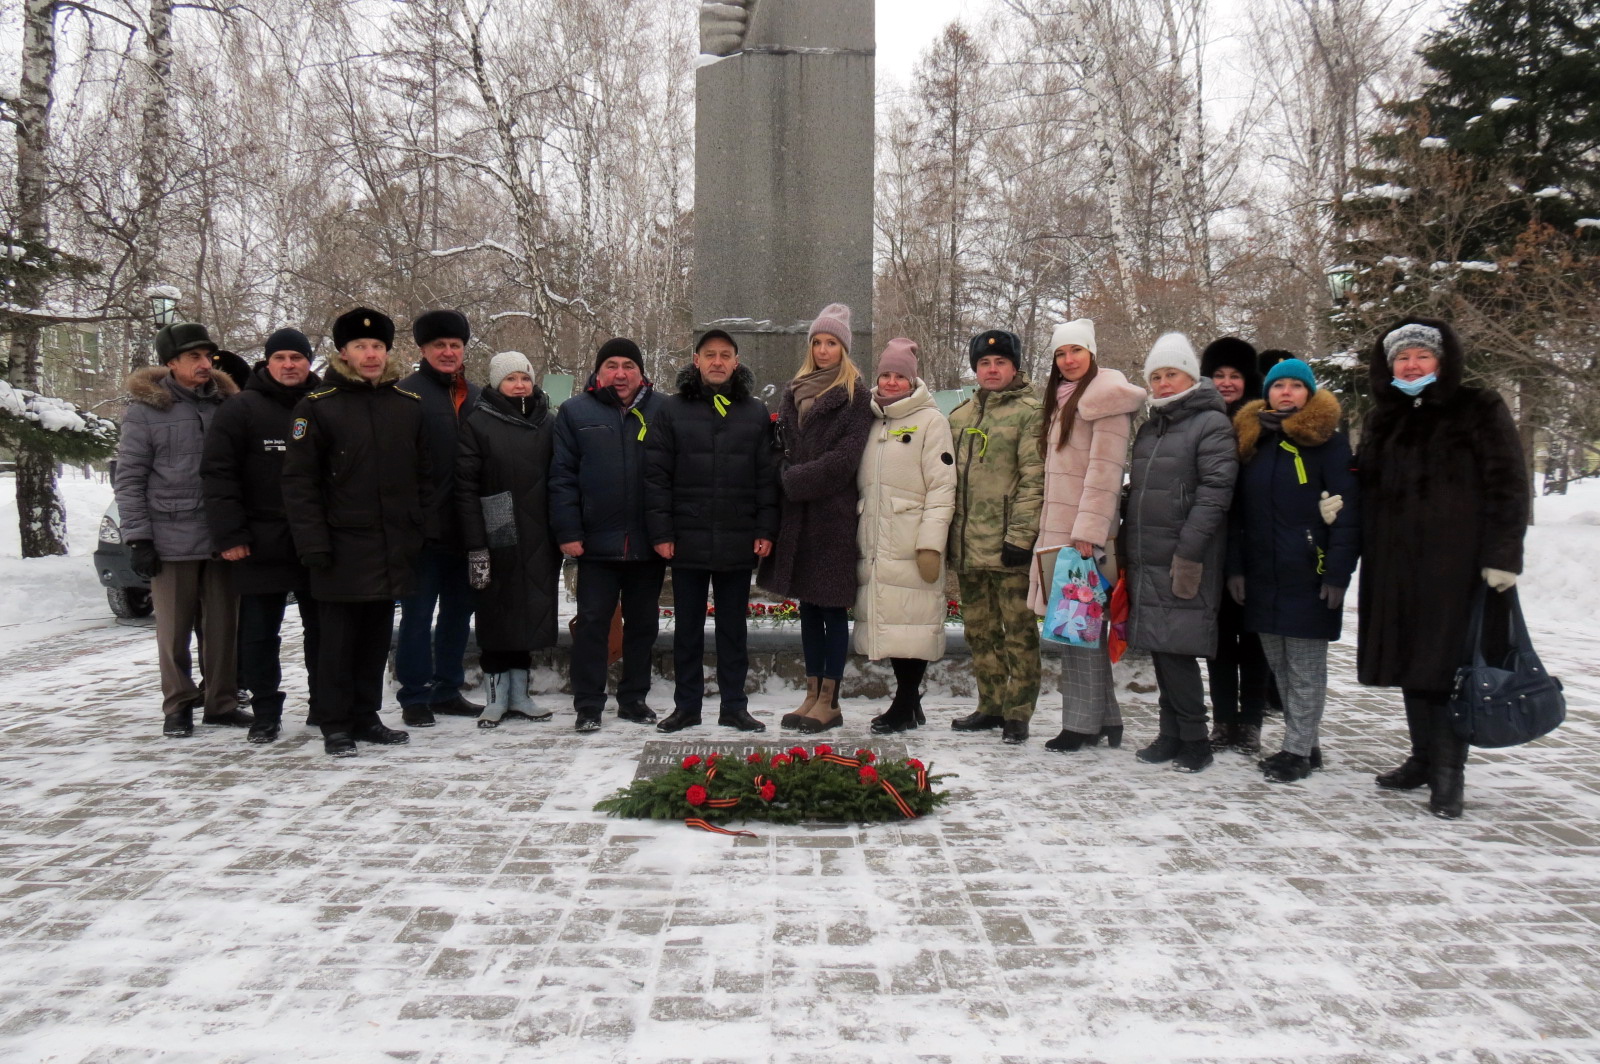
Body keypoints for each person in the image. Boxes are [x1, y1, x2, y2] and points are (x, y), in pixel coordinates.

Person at [1357, 318, 1528, 819]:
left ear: (1442, 360)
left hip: (1456, 566)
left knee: (1449, 667)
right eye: (1401, 358)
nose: (1411, 365)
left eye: (1421, 356)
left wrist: (1503, 556)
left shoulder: (1477, 408)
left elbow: (1508, 484)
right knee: (1413, 664)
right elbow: (1366, 478)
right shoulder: (1382, 417)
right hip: (1394, 565)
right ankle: (1423, 758)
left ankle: (1449, 774)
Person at [282, 308, 430, 757]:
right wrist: (312, 544)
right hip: (340, 547)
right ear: (343, 352)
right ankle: (335, 723)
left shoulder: (406, 407)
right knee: (337, 644)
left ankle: (366, 716)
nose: (371, 354)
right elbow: (299, 483)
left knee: (374, 640)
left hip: (390, 546)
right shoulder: (317, 406)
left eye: (379, 347)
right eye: (361, 347)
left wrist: (414, 531)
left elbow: (421, 476)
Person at [1226, 358, 1359, 782]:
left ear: (1308, 393)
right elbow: (1238, 514)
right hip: (1263, 573)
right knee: (1278, 665)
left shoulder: (1329, 443)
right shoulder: (1252, 442)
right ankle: (1306, 741)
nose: (1286, 392)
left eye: (1295, 386)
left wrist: (1338, 571)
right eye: (1278, 385)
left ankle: (1297, 751)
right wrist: (1236, 568)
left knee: (1305, 666)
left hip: (1308, 571)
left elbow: (1349, 512)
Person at [115, 321, 249, 738]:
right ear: (171, 362)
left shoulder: (228, 404)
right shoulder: (146, 410)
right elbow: (130, 477)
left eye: (208, 356)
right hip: (170, 538)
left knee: (223, 626)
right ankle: (178, 705)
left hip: (222, 536)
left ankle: (221, 702)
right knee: (173, 631)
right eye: (194, 356)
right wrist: (138, 537)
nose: (204, 363)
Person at [645, 329, 780, 733]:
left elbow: (766, 476)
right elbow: (656, 476)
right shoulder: (671, 410)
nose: (717, 362)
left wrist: (765, 528)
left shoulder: (754, 412)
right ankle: (686, 706)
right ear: (696, 360)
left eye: (725, 355)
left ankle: (734, 706)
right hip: (686, 537)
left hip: (737, 537)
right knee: (686, 630)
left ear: (736, 362)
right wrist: (661, 532)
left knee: (733, 631)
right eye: (710, 355)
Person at [201, 328, 323, 744]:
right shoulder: (240, 409)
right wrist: (230, 534)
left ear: (310, 361)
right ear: (267, 363)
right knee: (258, 632)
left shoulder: (324, 404)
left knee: (322, 629)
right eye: (281, 357)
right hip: (258, 538)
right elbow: (219, 475)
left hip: (315, 539)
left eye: (297, 357)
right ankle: (266, 711)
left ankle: (324, 705)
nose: (290, 364)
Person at [1027, 319, 1145, 752]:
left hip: (1083, 537)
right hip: (1063, 531)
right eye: (1060, 354)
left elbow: (1105, 473)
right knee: (1084, 632)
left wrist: (1088, 534)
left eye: (1076, 351)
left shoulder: (1104, 400)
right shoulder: (1064, 399)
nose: (1068, 360)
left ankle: (1080, 726)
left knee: (1078, 632)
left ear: (1092, 354)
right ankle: (1106, 720)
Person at [758, 303, 875, 733]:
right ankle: (811, 693)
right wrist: (782, 473)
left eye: (831, 343)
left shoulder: (856, 396)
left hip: (832, 518)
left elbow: (844, 460)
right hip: (797, 518)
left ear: (843, 348)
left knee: (830, 609)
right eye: (818, 343)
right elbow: (781, 447)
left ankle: (831, 699)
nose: (824, 350)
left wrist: (792, 479)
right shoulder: (794, 391)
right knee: (808, 608)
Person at [1125, 332, 1237, 773]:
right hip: (1148, 553)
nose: (1163, 383)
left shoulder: (1210, 424)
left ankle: (1195, 739)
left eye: (1171, 374)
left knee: (1177, 649)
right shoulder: (1154, 427)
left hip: (1184, 557)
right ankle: (1170, 733)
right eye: (1156, 376)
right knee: (1161, 646)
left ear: (1190, 376)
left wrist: (1189, 552)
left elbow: (1215, 493)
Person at [551, 337, 666, 732]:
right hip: (596, 544)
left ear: (641, 372)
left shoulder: (663, 410)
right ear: (599, 372)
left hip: (647, 544)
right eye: (612, 366)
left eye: (629, 366)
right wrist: (568, 530)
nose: (620, 374)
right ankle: (588, 704)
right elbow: (562, 477)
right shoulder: (574, 412)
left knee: (643, 626)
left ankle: (634, 700)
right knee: (593, 625)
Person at [851, 338, 957, 734]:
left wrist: (931, 542)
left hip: (912, 541)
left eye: (900, 376)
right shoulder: (870, 419)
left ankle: (904, 704)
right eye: (886, 374)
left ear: (912, 381)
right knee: (894, 624)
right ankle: (910, 705)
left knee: (913, 623)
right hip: (875, 538)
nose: (892, 382)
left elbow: (943, 486)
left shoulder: (932, 421)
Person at [947, 329, 1046, 745]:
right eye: (984, 363)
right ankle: (990, 704)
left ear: (1015, 367)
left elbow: (1034, 480)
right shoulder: (960, 416)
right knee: (979, 630)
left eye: (1000, 362)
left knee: (1018, 631)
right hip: (969, 544)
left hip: (1009, 545)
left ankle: (1018, 711)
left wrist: (1020, 536)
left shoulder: (1031, 412)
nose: (992, 369)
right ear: (975, 369)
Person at [456, 352, 560, 729]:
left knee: (529, 615)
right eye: (511, 378)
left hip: (540, 534)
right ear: (497, 383)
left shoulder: (548, 423)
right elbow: (465, 486)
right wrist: (475, 541)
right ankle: (496, 698)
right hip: (495, 532)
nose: (519, 384)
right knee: (497, 614)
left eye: (525, 378)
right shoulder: (478, 423)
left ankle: (521, 694)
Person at [395, 309, 482, 728]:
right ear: (424, 350)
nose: (448, 352)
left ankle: (448, 688)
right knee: (417, 616)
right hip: (422, 530)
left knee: (457, 614)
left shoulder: (478, 396)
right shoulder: (405, 395)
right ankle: (414, 694)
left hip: (467, 529)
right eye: (439, 346)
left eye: (454, 345)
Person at [1199, 336, 1271, 754]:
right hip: (1214, 543)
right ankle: (1223, 720)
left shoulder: (1261, 423)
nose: (1226, 383)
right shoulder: (1203, 420)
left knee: (1254, 639)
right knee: (1220, 640)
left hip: (1255, 544)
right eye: (1219, 375)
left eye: (1235, 376)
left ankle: (1252, 722)